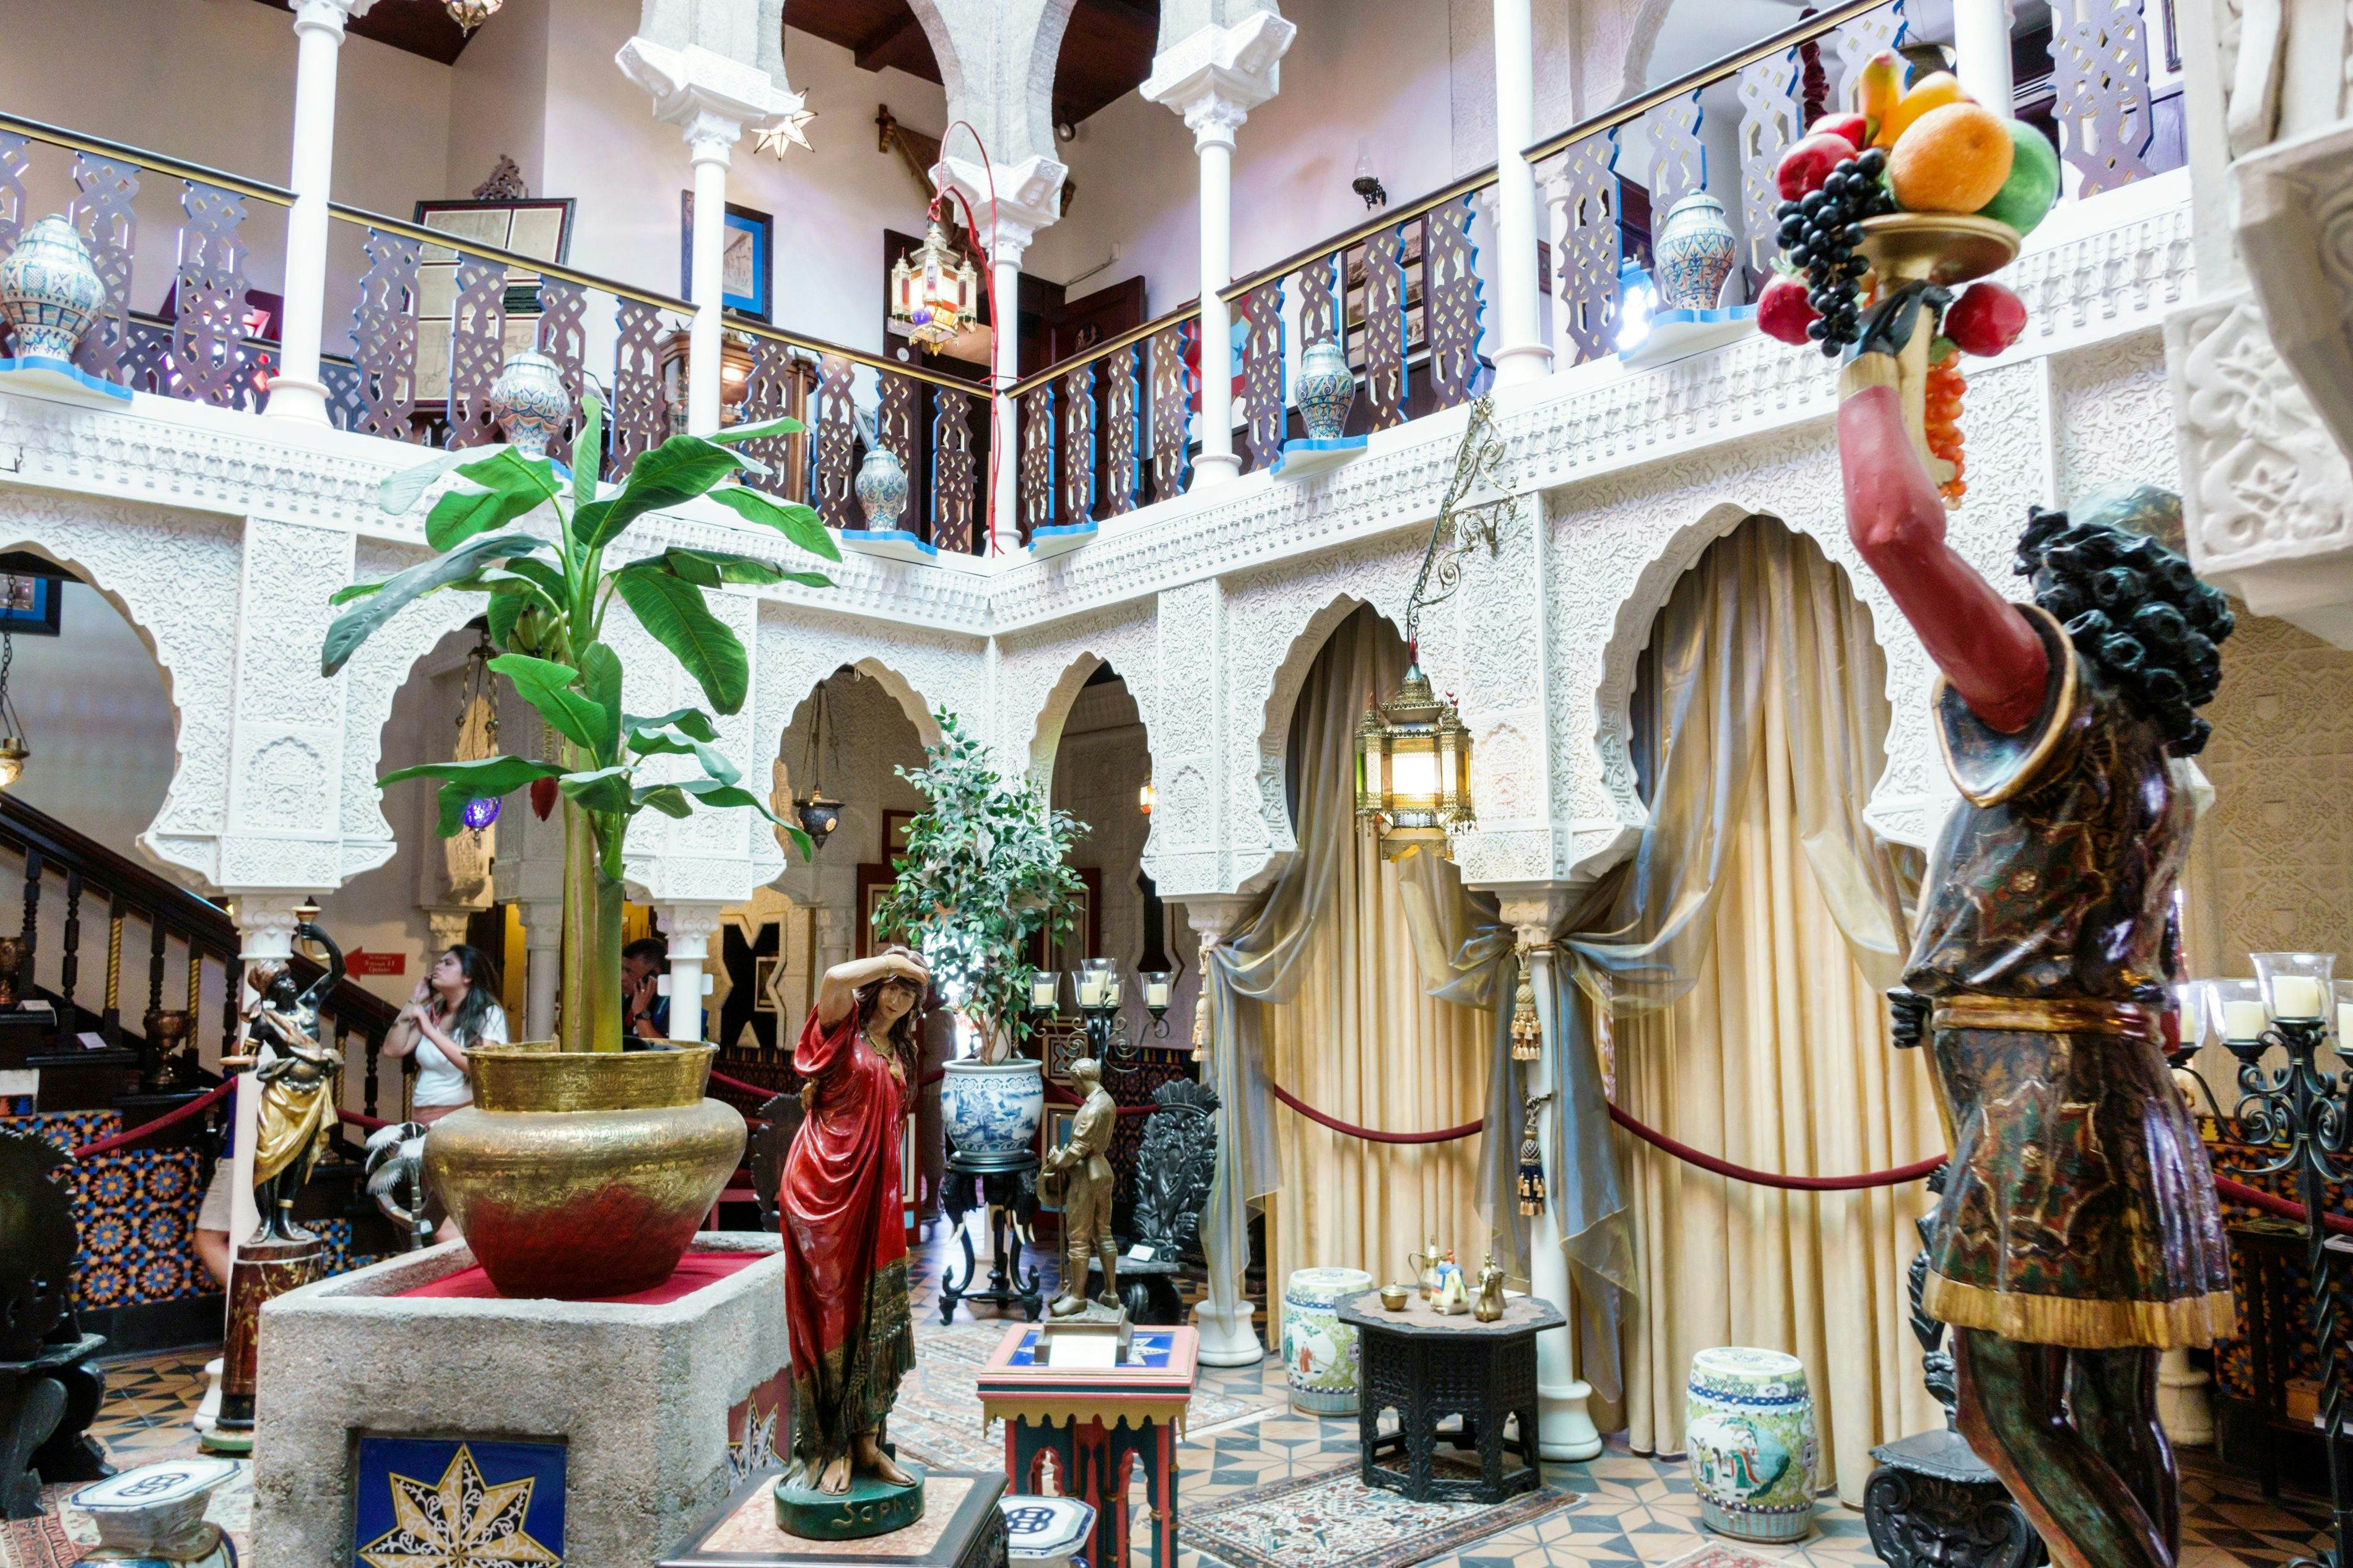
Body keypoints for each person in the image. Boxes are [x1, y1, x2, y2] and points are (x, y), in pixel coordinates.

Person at [1838, 287, 2235, 1568]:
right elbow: (2124, 952)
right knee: (2117, 1425)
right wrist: (1940, 974)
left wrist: (1865, 366)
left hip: (2043, 1119)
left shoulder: (2050, 694)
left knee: (2006, 1410)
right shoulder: (2165, 772)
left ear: (2098, 593)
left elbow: (1893, 528)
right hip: (2122, 1105)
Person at [778, 946, 928, 1497]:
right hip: (824, 1188)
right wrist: (897, 958)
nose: (899, 995)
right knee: (831, 1311)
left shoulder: (899, 1051)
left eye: (910, 990)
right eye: (893, 984)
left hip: (876, 1194)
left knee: (877, 1313)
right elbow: (835, 975)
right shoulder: (842, 1030)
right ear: (876, 986)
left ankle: (867, 1440)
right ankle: (830, 1444)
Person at [382, 945, 507, 1125]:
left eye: (448, 963)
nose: (438, 967)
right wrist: (415, 999)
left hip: (460, 1121)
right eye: (439, 962)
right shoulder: (433, 1012)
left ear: (468, 976)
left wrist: (431, 1032)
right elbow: (392, 1049)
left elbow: (480, 1068)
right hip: (421, 1118)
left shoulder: (489, 1014)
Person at [1043, 1057, 1118, 1317]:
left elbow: (1076, 1150)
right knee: (1104, 1233)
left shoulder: (1092, 1109)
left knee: (1078, 1238)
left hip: (1085, 1174)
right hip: (1103, 1170)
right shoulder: (1107, 1101)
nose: (1073, 1087)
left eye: (1074, 1082)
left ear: (1079, 1078)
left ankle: (1077, 1297)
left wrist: (1057, 1159)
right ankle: (1111, 1293)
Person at [622, 937, 671, 1041]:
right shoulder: (625, 1001)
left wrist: (641, 1013)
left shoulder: (672, 1007)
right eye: (622, 970)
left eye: (629, 971)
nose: (622, 977)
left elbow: (664, 1052)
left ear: (653, 975)